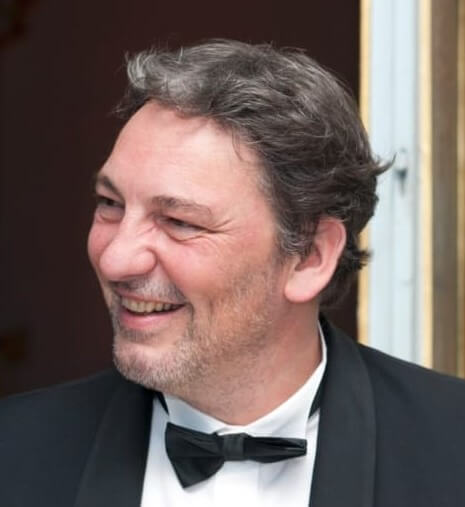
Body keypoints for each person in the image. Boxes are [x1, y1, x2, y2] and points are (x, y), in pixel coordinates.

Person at [1, 39, 465, 507]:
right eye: (110, 204)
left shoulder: (452, 447)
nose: (114, 260)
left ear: (309, 256)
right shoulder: (15, 452)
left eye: (179, 221)